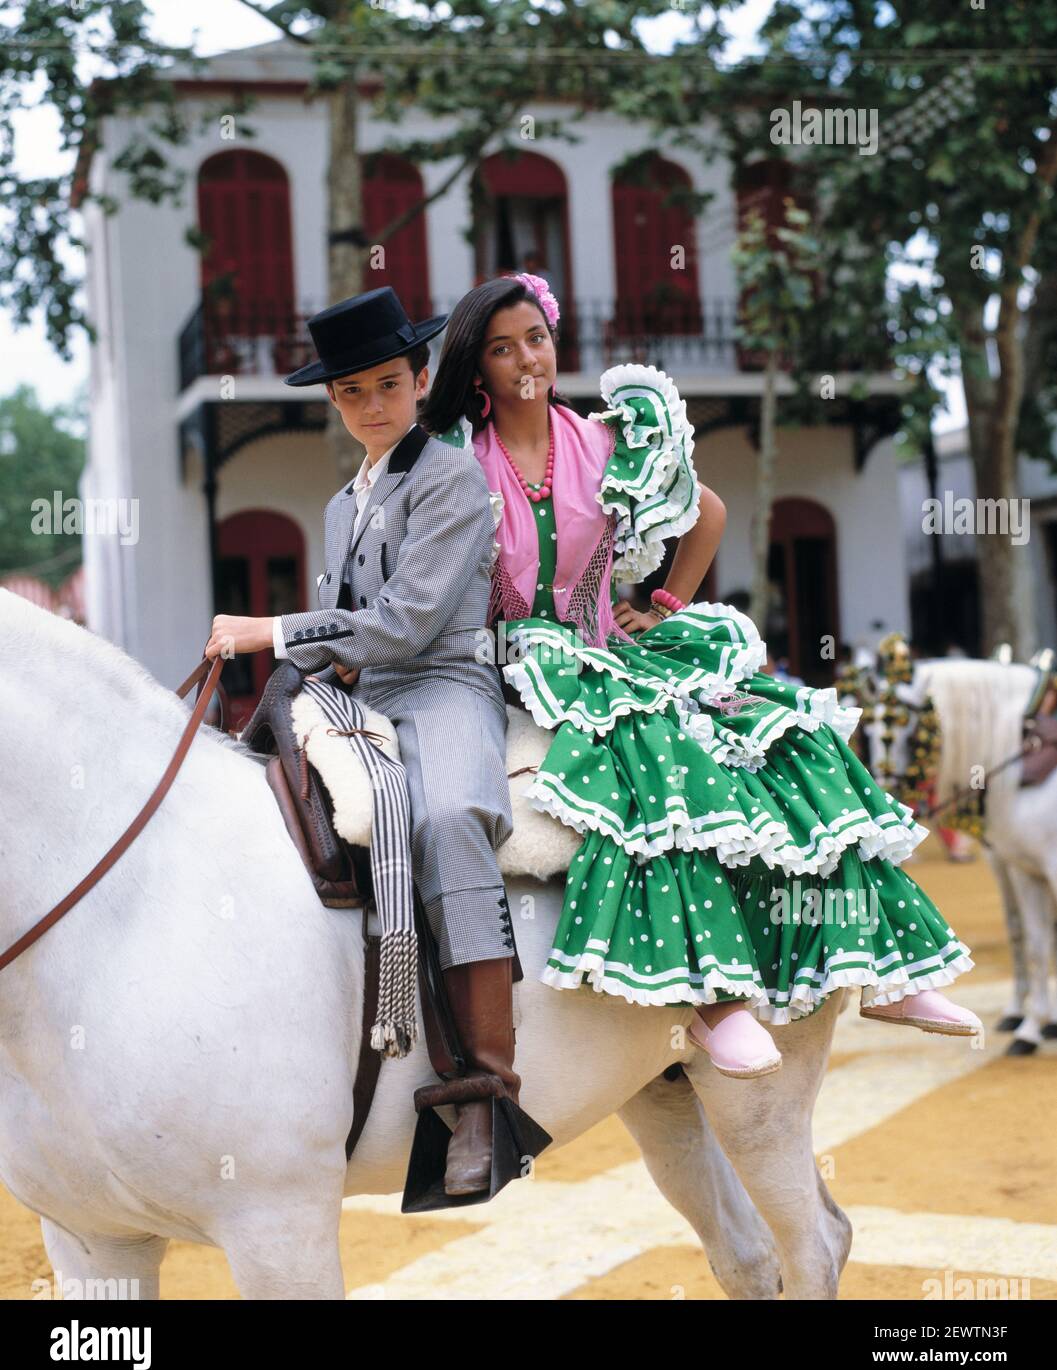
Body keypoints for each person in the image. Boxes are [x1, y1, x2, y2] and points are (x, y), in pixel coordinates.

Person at [419, 273, 983, 1079]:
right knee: (658, 762)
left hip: (606, 646)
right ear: (476, 368)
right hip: (516, 661)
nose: (524, 361)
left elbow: (706, 511)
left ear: (554, 342)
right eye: (501, 349)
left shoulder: (608, 440)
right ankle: (717, 1005)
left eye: (534, 340)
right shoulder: (456, 460)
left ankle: (887, 972)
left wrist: (666, 600)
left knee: (787, 733)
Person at [206, 286, 537, 1196]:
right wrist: (301, 672)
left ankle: (484, 1093)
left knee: (445, 819)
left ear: (421, 377)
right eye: (351, 394)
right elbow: (355, 634)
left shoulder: (453, 477)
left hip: (444, 686)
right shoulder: (340, 503)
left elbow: (404, 622)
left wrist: (271, 633)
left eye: (388, 385)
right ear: (334, 403)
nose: (371, 406)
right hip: (361, 691)